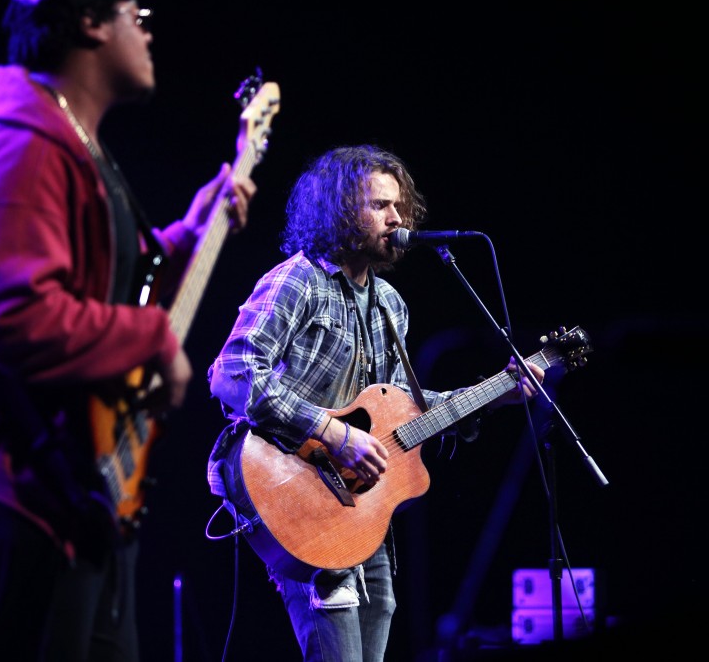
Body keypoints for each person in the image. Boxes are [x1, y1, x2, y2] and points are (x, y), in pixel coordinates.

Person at [0, 0, 256, 660]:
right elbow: (8, 317)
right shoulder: (18, 144)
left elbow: (97, 294)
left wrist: (188, 237)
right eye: (134, 14)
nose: (147, 28)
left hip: (65, 483)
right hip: (7, 473)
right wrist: (153, 341)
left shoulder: (66, 143)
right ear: (87, 22)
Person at [206, 144, 544, 661]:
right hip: (293, 487)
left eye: (400, 207)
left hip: (359, 507)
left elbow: (399, 407)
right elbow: (231, 376)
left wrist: (495, 393)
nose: (396, 218)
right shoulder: (298, 280)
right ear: (340, 212)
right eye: (380, 206)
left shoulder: (390, 304)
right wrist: (334, 432)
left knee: (378, 626)